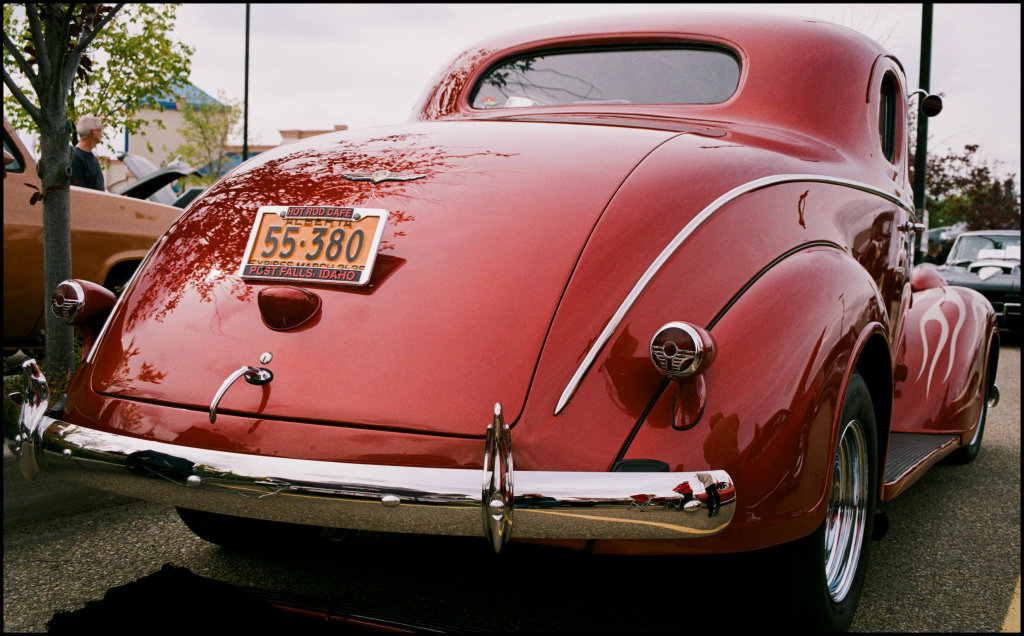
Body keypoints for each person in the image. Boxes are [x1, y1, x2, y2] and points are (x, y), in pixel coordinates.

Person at [71, 115, 105, 191]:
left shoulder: (92, 158)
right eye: (100, 130)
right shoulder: (75, 158)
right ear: (94, 132)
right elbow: (78, 193)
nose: (102, 135)